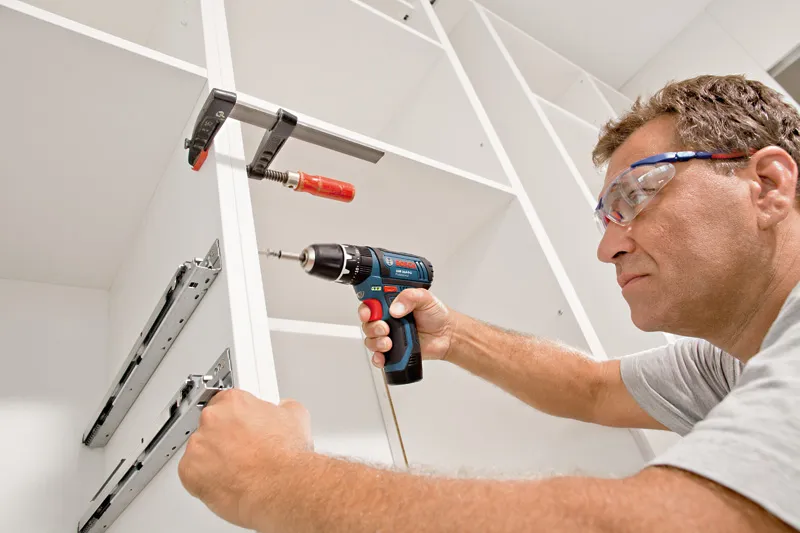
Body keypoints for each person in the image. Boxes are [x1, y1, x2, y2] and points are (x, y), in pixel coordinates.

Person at [178, 75, 800, 532]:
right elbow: (588, 388)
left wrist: (271, 480)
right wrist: (453, 336)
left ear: (766, 185)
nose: (608, 247)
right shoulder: (728, 366)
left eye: (635, 196)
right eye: (606, 216)